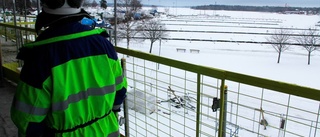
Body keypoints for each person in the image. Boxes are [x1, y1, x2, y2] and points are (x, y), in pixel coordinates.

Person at [10, 0, 127, 136]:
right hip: (107, 130)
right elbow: (120, 89)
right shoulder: (104, 45)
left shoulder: (40, 57)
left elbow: (27, 118)